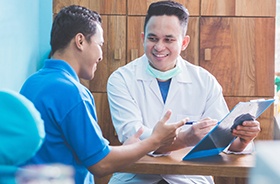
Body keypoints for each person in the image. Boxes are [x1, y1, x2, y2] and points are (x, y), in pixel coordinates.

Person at [19, 5, 186, 184]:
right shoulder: (72, 92)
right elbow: (100, 165)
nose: (101, 56)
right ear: (80, 41)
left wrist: (132, 149)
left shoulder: (33, 82)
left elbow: (87, 150)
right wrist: (155, 140)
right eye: (100, 45)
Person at [107, 1, 261, 184]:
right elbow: (133, 142)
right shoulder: (121, 79)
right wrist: (185, 139)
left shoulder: (204, 81)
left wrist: (242, 139)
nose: (159, 47)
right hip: (136, 178)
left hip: (189, 178)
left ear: (184, 42)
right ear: (143, 38)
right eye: (153, 38)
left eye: (169, 40)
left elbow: (221, 140)